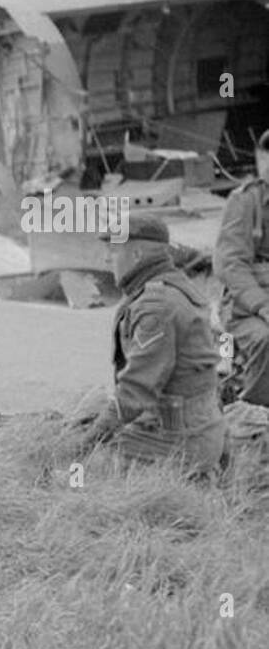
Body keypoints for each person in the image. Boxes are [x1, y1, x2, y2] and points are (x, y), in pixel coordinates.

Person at [75, 213, 224, 473]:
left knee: (79, 466)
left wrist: (88, 442)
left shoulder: (157, 305)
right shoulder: (170, 286)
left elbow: (136, 390)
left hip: (180, 444)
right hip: (191, 429)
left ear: (137, 256)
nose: (107, 259)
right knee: (85, 416)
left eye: (113, 251)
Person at [213, 128, 269, 404]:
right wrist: (262, 305)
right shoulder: (246, 201)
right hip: (246, 307)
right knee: (264, 339)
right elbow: (230, 264)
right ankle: (254, 416)